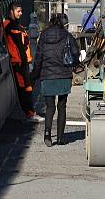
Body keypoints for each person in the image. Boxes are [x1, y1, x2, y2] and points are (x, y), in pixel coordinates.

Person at [31, 13, 80, 147]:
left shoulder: (43, 36)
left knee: (50, 107)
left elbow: (39, 57)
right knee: (62, 106)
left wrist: (34, 75)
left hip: (47, 75)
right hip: (63, 74)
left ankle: (47, 135)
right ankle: (60, 137)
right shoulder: (66, 35)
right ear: (62, 23)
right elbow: (76, 53)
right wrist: (74, 64)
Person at [2, 2, 42, 122]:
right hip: (17, 63)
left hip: (24, 62)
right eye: (18, 11)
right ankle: (29, 113)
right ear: (11, 11)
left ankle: (30, 112)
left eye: (21, 11)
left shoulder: (17, 26)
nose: (21, 13)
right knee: (24, 89)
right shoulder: (7, 25)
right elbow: (1, 39)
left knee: (28, 87)